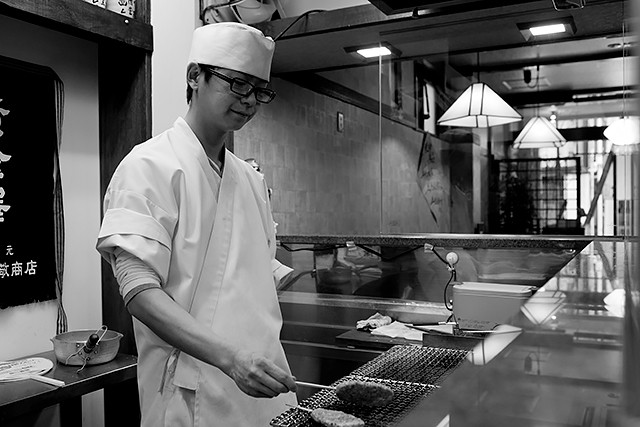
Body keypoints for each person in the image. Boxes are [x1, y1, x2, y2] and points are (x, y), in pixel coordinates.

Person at [96, 22, 297, 427]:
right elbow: (138, 291)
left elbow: (250, 274)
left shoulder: (250, 179)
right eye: (238, 85)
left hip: (260, 387)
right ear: (194, 76)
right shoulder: (148, 166)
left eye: (260, 91)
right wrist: (230, 358)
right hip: (191, 393)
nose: (250, 101)